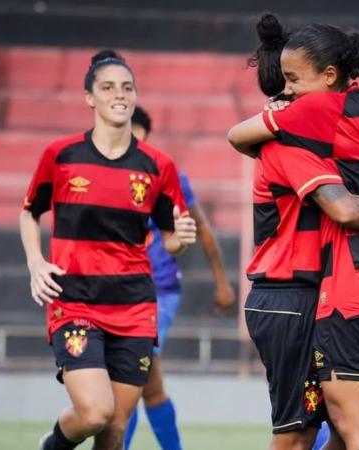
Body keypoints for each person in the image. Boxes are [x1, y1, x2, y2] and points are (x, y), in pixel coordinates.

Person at [226, 15, 359, 450]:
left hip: (341, 285)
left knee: (345, 427)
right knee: (316, 434)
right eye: (286, 82)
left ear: (329, 75)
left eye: (296, 79)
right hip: (291, 294)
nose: (291, 91)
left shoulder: (315, 117)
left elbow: (237, 136)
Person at [22, 50, 196, 450]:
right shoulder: (61, 156)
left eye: (127, 87)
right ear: (90, 98)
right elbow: (29, 212)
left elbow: (171, 239)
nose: (119, 95)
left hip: (135, 308)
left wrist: (180, 240)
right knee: (95, 413)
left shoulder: (158, 166)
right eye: (108, 87)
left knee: (115, 428)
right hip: (76, 302)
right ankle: (54, 445)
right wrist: (36, 263)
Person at [122, 106, 235, 450]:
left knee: (130, 372)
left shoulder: (166, 175)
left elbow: (200, 226)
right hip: (116, 290)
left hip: (159, 290)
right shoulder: (103, 176)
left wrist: (221, 281)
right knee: (147, 382)